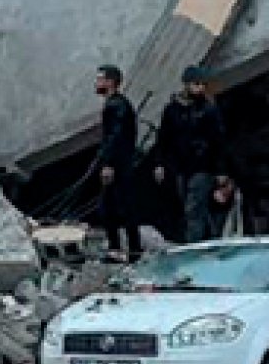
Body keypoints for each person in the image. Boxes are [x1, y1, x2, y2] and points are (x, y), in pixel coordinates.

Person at [153, 66, 230, 244]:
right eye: (196, 84)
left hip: (203, 165)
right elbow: (164, 137)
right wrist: (160, 163)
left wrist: (221, 170)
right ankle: (211, 239)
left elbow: (218, 141)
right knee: (192, 206)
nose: (200, 89)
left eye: (202, 85)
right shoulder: (172, 110)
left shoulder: (208, 110)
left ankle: (194, 244)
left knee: (194, 206)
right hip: (181, 165)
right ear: (187, 85)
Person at [92, 64, 142, 259]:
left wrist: (108, 164)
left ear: (110, 82)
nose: (96, 83)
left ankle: (125, 249)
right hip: (121, 163)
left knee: (115, 207)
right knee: (114, 206)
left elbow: (115, 137)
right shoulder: (116, 104)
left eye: (100, 79)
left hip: (119, 165)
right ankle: (126, 248)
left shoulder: (116, 106)